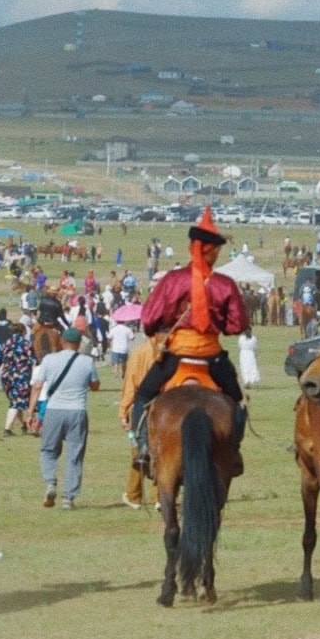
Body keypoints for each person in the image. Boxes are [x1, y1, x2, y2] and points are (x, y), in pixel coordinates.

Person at [129, 205, 249, 470]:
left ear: (191, 247)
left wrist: (158, 333)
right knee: (237, 400)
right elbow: (237, 324)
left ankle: (144, 448)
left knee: (142, 396)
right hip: (212, 358)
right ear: (213, 251)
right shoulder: (225, 284)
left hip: (175, 356)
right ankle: (233, 452)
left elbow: (149, 317)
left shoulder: (172, 280)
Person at [27, 327, 100, 509]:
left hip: (54, 409)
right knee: (75, 454)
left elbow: (37, 386)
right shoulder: (87, 361)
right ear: (79, 343)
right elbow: (95, 385)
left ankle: (50, 481)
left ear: (61, 341)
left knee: (48, 450)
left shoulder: (49, 360)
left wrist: (30, 412)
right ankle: (69, 497)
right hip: (77, 410)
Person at [118, 333, 162, 509]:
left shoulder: (138, 353)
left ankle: (134, 494)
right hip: (165, 401)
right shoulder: (169, 351)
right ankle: (159, 495)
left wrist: (123, 410)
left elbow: (130, 384)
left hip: (141, 404)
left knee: (138, 448)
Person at [0, 322, 36, 436]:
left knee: (16, 400)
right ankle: (7, 429)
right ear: (23, 332)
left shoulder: (5, 344)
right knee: (16, 403)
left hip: (6, 377)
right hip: (21, 376)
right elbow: (34, 360)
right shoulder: (27, 344)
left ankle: (23, 426)